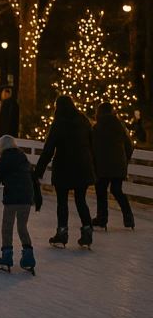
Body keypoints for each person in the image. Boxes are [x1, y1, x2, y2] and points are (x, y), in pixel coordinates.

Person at [0, 135, 42, 274]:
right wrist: (38, 200)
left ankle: (7, 257)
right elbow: (34, 181)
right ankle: (29, 258)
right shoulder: (24, 158)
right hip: (27, 199)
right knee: (22, 227)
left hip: (12, 199)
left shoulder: (4, 161)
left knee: (7, 228)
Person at [35, 95, 96, 249]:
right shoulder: (84, 121)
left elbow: (48, 150)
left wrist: (38, 171)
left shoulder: (59, 123)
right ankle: (87, 230)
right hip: (82, 167)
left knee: (62, 202)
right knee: (80, 200)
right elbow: (92, 144)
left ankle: (62, 232)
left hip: (64, 167)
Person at [92, 102, 135, 231]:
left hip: (102, 166)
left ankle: (102, 218)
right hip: (118, 165)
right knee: (117, 190)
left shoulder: (97, 127)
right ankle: (128, 217)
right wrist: (124, 159)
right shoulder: (119, 125)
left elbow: (92, 147)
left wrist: (94, 162)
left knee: (101, 190)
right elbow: (129, 145)